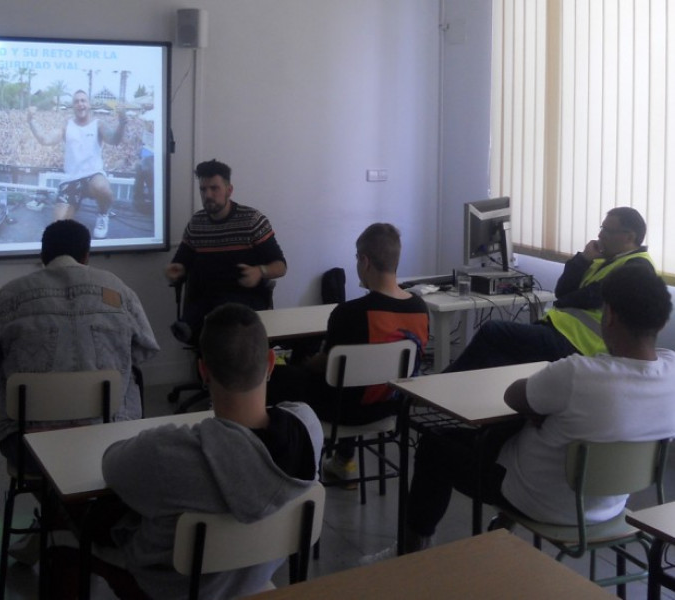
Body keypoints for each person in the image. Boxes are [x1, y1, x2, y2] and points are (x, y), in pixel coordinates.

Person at [399, 265, 675, 554]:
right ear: (661, 323)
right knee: (533, 429)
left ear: (611, 315)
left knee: (435, 444)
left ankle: (415, 546)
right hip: (608, 508)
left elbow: (514, 397)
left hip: (535, 500)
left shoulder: (578, 373)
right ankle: (503, 524)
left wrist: (540, 412)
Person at [92, 303, 323, 599]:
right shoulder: (308, 428)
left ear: (203, 370)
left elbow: (111, 466)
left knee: (68, 532)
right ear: (269, 363)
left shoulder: (166, 451)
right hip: (256, 578)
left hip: (169, 588)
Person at [0, 219, 159, 472]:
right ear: (86, 256)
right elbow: (145, 350)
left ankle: (60, 507)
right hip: (110, 437)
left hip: (29, 446)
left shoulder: (11, 294)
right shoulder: (119, 290)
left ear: (43, 255)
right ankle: (80, 508)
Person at [268, 223, 429, 487]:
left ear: (365, 261)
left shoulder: (348, 313)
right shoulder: (419, 308)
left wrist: (306, 361)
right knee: (355, 381)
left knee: (276, 375)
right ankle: (344, 461)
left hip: (339, 411)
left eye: (357, 258)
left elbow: (327, 365)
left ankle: (282, 467)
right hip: (389, 409)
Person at [445, 206, 655, 372]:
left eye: (607, 231)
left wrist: (565, 300)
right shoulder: (604, 260)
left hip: (583, 345)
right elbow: (563, 292)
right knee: (502, 356)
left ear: (629, 237)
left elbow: (589, 298)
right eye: (601, 228)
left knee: (493, 332)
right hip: (561, 333)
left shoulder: (637, 267)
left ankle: (443, 387)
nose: (600, 235)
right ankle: (484, 418)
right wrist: (582, 259)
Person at [165, 159, 287, 342]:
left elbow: (280, 266)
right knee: (207, 309)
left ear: (229, 190)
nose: (208, 195)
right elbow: (182, 261)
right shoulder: (197, 223)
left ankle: (193, 325)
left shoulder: (252, 220)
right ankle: (190, 327)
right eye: (203, 189)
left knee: (222, 312)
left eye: (214, 188)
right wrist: (176, 270)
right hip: (207, 297)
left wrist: (260, 271)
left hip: (244, 298)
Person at [25, 90, 128, 239]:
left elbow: (114, 139)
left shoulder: (98, 124)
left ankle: (103, 214)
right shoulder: (67, 126)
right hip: (71, 180)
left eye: (83, 101)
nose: (80, 104)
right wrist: (31, 121)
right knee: (58, 228)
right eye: (76, 101)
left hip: (93, 177)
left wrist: (122, 123)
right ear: (73, 106)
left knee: (102, 187)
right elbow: (45, 140)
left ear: (89, 104)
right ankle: (74, 204)